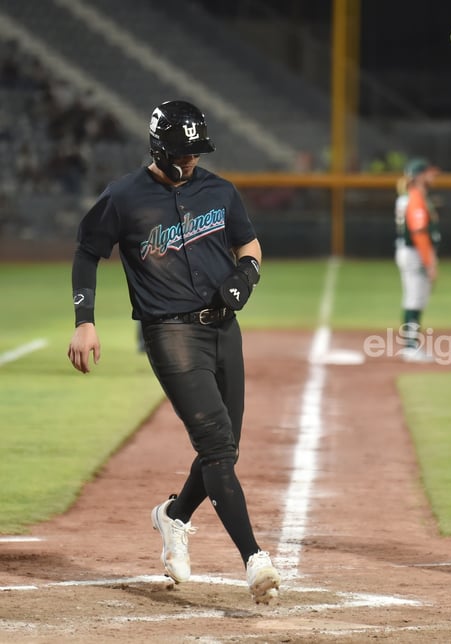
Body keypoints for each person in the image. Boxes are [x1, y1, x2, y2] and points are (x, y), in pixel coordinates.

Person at [66, 100, 282, 604]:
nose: (190, 162)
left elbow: (249, 247)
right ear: (157, 148)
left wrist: (243, 280)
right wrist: (84, 321)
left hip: (225, 330)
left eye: (195, 154)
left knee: (226, 444)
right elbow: (86, 251)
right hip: (171, 334)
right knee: (216, 447)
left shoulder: (220, 191)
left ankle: (175, 516)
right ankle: (254, 559)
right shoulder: (123, 196)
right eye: (181, 154)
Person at [394, 157, 441, 363]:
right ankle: (410, 347)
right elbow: (419, 233)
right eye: (429, 173)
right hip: (414, 253)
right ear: (420, 176)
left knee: (415, 298)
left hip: (410, 252)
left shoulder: (410, 196)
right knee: (415, 299)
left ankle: (411, 345)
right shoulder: (415, 198)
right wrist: (430, 262)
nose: (433, 177)